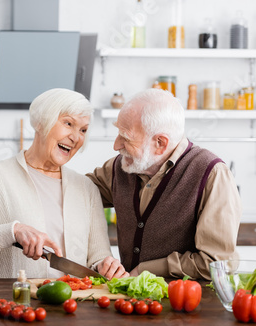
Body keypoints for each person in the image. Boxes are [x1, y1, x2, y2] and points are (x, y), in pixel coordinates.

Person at [0, 88, 128, 279]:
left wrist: (106, 266)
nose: (75, 137)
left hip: (74, 306)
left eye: (83, 130)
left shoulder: (86, 188)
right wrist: (11, 232)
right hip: (14, 305)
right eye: (68, 123)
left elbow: (99, 257)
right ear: (40, 123)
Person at [87, 88, 241, 280]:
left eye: (125, 137)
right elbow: (77, 193)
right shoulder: (120, 167)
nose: (116, 146)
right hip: (129, 301)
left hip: (188, 303)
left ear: (160, 143)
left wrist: (147, 270)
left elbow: (217, 262)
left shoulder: (212, 174)